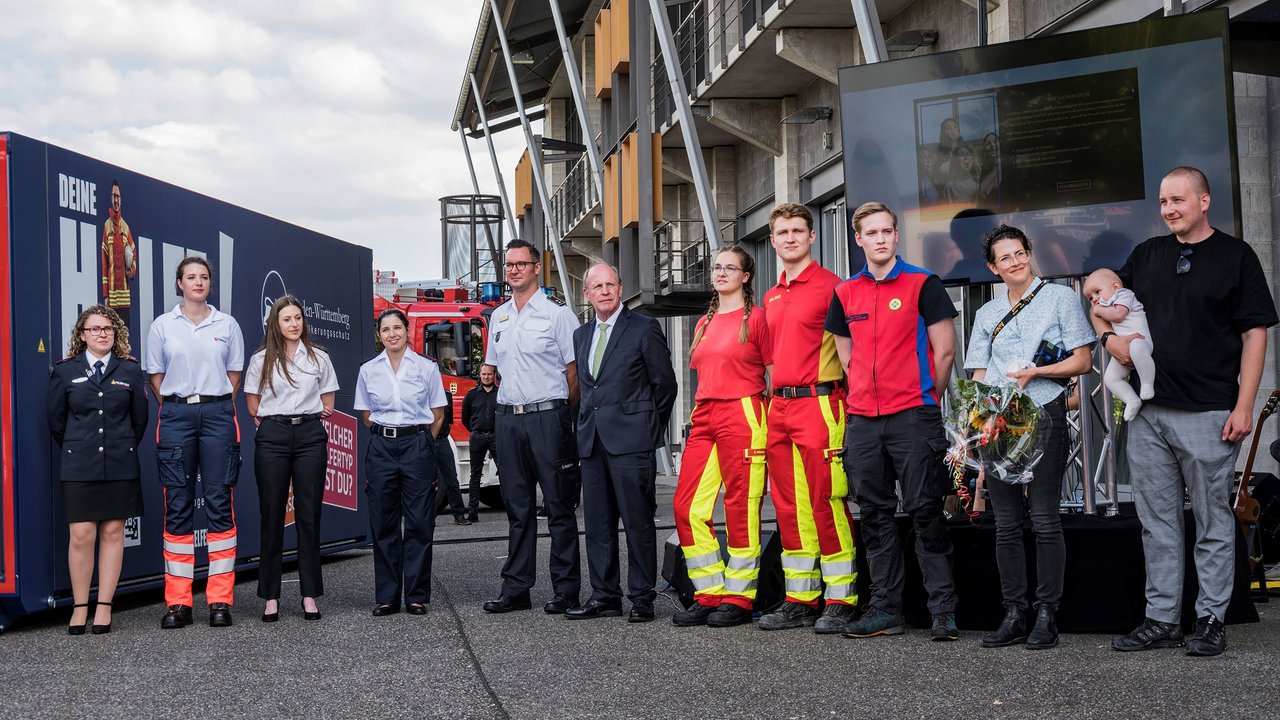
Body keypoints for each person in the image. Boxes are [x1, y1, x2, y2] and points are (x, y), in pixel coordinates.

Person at [1103, 167, 1277, 657]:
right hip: (1147, 414)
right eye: (1162, 201)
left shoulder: (1236, 257)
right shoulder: (1147, 254)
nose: (1169, 209)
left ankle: (1210, 620)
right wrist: (1108, 338)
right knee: (1157, 523)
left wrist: (1245, 405)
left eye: (1177, 199)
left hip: (1209, 413)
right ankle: (1161, 620)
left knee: (1212, 522)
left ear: (1204, 201)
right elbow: (1102, 299)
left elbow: (1255, 333)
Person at [825, 201, 960, 641]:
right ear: (858, 239)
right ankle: (886, 609)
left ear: (895, 236)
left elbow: (944, 351)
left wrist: (925, 399)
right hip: (863, 421)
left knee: (925, 511)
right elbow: (846, 355)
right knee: (876, 515)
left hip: (914, 416)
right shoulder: (845, 293)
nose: (881, 239)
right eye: (872, 233)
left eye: (887, 231)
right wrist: (864, 389)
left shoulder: (924, 283)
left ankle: (943, 611)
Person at [963, 224, 1095, 649]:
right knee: (1004, 524)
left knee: (1043, 519)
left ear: (1028, 252)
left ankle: (1047, 613)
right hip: (1000, 422)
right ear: (992, 267)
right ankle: (1014, 611)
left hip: (1044, 414)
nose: (1015, 262)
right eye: (1005, 257)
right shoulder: (986, 314)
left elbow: (1082, 360)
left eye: (1019, 253)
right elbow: (980, 375)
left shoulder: (1060, 298)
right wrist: (977, 422)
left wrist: (1037, 371)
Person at [755, 203, 859, 634]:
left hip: (820, 401)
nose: (791, 238)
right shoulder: (771, 294)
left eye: (799, 230)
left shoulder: (835, 288)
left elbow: (853, 354)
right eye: (783, 232)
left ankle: (842, 598)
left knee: (827, 499)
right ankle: (800, 597)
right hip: (779, 405)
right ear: (773, 240)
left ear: (812, 237)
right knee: (788, 505)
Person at [566, 263, 677, 624]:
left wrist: (646, 429)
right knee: (597, 525)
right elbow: (587, 390)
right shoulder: (581, 336)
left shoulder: (644, 327)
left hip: (632, 442)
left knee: (637, 522)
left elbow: (665, 385)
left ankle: (642, 597)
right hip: (593, 443)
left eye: (610, 284)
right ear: (587, 294)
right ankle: (604, 596)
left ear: (620, 286)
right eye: (596, 286)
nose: (604, 291)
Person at [671, 245, 772, 628]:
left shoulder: (758, 319)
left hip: (744, 411)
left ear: (746, 276)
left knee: (741, 506)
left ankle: (740, 597)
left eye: (731, 268)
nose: (722, 273)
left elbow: (774, 375)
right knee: (687, 508)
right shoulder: (704, 322)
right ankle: (709, 591)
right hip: (705, 415)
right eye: (717, 267)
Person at [482, 239, 582, 615]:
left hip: (548, 418)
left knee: (558, 507)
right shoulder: (499, 317)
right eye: (509, 265)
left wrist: (557, 412)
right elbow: (494, 370)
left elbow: (574, 373)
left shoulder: (557, 314)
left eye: (521, 264)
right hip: (508, 418)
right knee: (517, 509)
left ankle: (566, 591)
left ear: (537, 268)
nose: (514, 270)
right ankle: (516, 589)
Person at [145, 256, 245, 629]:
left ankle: (219, 599)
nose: (198, 283)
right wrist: (178, 406)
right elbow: (155, 376)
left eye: (204, 277)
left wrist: (213, 403)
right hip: (175, 416)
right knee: (178, 505)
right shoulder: (162, 326)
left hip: (218, 414)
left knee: (220, 503)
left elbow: (234, 373)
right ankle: (178, 602)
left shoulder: (227, 324)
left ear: (209, 284)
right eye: (191, 277)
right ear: (179, 283)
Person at [48, 305, 147, 635]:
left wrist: (119, 445)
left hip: (120, 463)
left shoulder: (130, 371)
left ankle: (104, 605)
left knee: (112, 533)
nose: (102, 333)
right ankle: (80, 605)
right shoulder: (65, 372)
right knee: (81, 535)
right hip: (79, 465)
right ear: (82, 335)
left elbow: (139, 420)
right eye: (94, 329)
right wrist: (82, 447)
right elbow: (56, 422)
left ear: (115, 333)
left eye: (108, 328)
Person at [244, 296, 338, 623]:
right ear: (275, 324)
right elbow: (252, 405)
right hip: (273, 436)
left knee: (309, 516)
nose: (294, 324)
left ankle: (309, 595)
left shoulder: (319, 356)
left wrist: (313, 415)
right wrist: (273, 422)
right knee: (271, 516)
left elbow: (328, 399)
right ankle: (270, 596)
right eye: (287, 319)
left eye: (298, 318)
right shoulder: (261, 360)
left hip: (310, 435)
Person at [355, 308, 447, 616]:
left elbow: (438, 413)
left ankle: (416, 596)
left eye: (397, 327)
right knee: (383, 524)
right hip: (381, 446)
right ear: (379, 335)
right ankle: (387, 597)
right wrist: (388, 435)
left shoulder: (426, 367)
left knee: (420, 523)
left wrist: (422, 442)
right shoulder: (369, 370)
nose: (392, 333)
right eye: (385, 329)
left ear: (407, 331)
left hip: (417, 446)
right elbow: (366, 416)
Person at [1084, 268, 1155, 421]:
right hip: (1123, 348)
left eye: (1097, 292)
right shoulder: (1105, 304)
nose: (1094, 299)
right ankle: (1131, 399)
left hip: (1141, 342)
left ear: (1115, 287)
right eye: (1090, 298)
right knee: (1109, 378)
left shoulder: (1124, 295)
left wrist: (1099, 310)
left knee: (1137, 347)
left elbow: (1118, 315)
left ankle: (1147, 383)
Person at [461, 363, 499, 522]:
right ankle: (473, 512)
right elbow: (465, 418)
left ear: (494, 375)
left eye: (489, 374)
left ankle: (513, 509)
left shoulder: (500, 394)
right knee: (475, 474)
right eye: (484, 374)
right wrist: (475, 431)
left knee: (506, 472)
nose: (486, 377)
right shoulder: (471, 395)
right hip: (477, 437)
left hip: (496, 436)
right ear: (480, 375)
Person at [100, 180, 136, 330]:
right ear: (110, 198)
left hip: (125, 297)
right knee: (111, 335)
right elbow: (104, 263)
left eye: (118, 196)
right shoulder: (107, 226)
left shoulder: (126, 227)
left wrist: (131, 270)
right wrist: (106, 295)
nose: (116, 200)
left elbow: (133, 255)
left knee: (124, 336)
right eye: (114, 196)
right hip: (112, 296)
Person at [435, 389, 472, 525]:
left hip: (442, 440)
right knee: (424, 481)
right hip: (424, 439)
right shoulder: (420, 392)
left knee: (451, 479)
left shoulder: (446, 395)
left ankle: (459, 515)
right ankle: (427, 517)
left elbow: (449, 421)